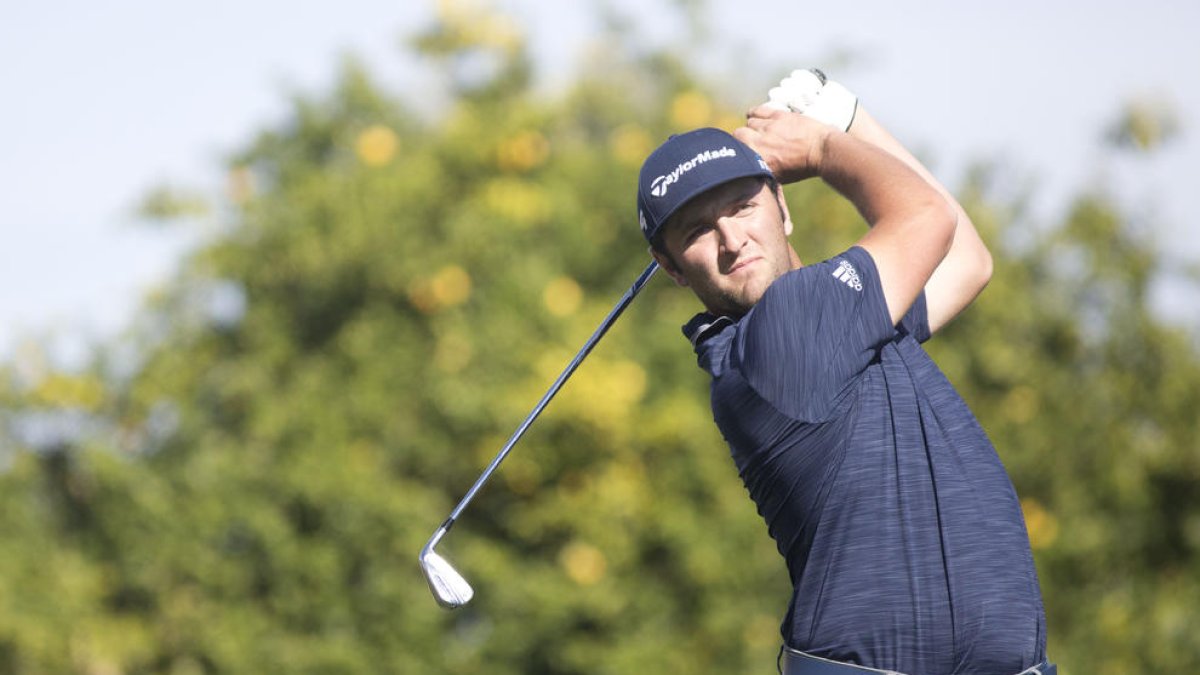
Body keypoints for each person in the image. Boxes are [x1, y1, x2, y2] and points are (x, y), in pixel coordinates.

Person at [635, 70, 1054, 675]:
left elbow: (965, 259)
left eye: (742, 207)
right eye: (698, 230)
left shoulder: (847, 325)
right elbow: (928, 217)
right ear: (671, 267)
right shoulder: (786, 331)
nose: (732, 239)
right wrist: (823, 145)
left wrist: (847, 114)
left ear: (781, 206)